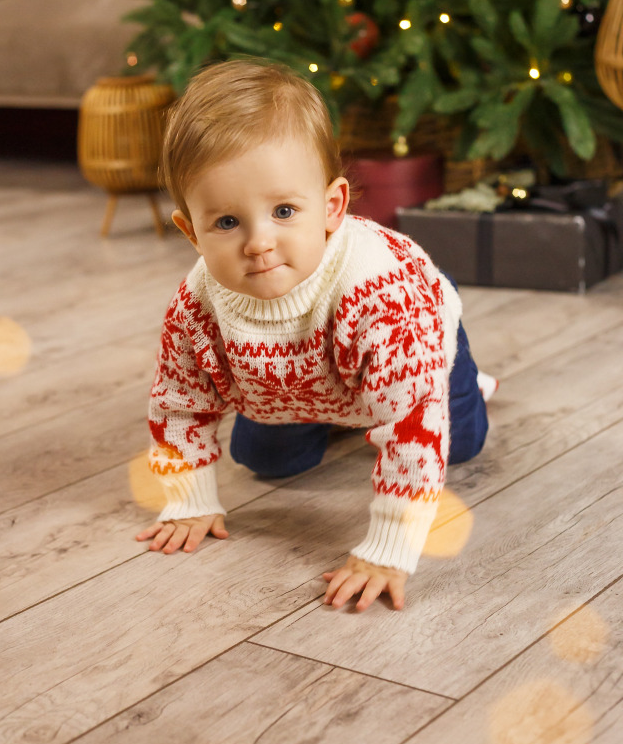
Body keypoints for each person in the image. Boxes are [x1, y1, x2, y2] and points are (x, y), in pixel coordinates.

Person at [136, 60, 494, 611]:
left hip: (413, 352)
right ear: (190, 231)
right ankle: (346, 409)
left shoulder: (381, 291)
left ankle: (451, 385)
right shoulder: (197, 303)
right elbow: (179, 400)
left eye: (283, 211)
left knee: (459, 442)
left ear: (332, 207)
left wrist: (387, 548)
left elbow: (414, 430)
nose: (259, 242)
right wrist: (189, 500)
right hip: (286, 380)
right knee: (268, 461)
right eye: (227, 223)